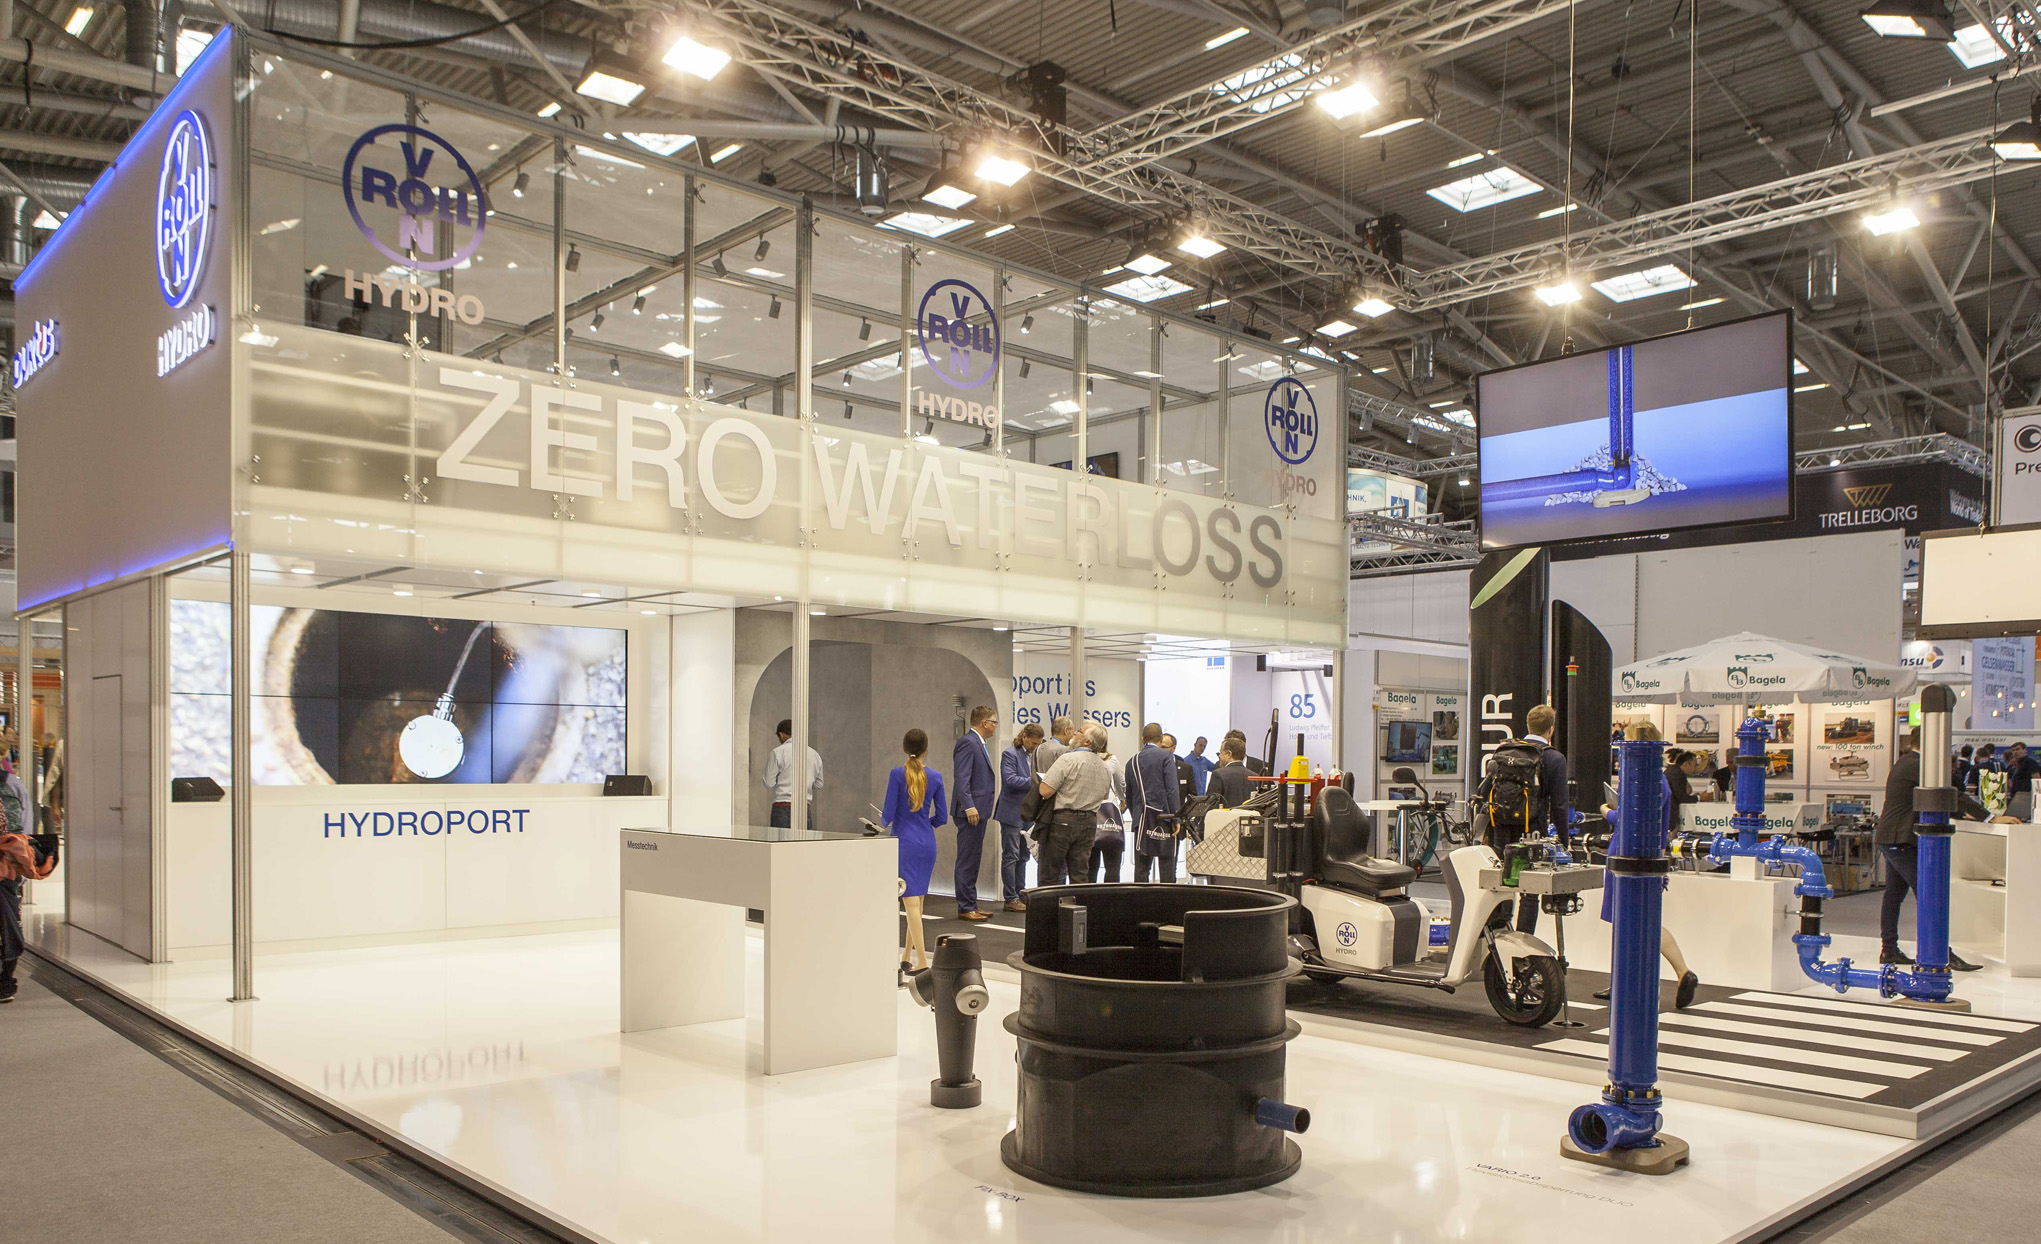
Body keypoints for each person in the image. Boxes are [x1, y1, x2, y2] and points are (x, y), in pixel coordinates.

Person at [1592, 721, 1702, 1009]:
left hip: (1626, 856)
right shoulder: (1660, 781)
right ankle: (1673, 973)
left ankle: (1633, 980)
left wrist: (1607, 811)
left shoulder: (1641, 780)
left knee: (1629, 921)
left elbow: (1626, 818)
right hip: (1650, 855)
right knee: (1642, 921)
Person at [1878, 727, 1995, 968]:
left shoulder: (1906, 762)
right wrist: (1989, 817)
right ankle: (1941, 953)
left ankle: (1889, 950)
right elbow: (1950, 795)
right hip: (1901, 839)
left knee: (1894, 895)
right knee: (1928, 894)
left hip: (1892, 836)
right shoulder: (1921, 765)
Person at [881, 729, 946, 973]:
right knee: (917, 901)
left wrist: (882, 821)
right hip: (927, 841)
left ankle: (923, 962)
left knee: (910, 903)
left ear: (904, 747)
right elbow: (941, 817)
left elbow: (888, 814)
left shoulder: (896, 774)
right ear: (926, 749)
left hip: (904, 842)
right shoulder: (936, 777)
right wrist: (925, 824)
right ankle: (906, 956)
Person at [1037, 724, 1114, 886]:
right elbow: (1104, 796)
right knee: (1080, 875)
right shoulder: (1105, 768)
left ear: (1087, 741)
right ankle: (1079, 903)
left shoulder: (1068, 760)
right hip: (1090, 823)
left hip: (1063, 820)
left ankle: (1048, 903)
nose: (1075, 733)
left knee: (1050, 873)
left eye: (1079, 731)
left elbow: (1045, 790)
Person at [950, 705, 1000, 921]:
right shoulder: (968, 743)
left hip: (979, 810)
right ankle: (965, 906)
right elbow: (961, 778)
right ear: (984, 723)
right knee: (967, 859)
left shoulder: (979, 743)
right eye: (994, 722)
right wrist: (969, 805)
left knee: (974, 858)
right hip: (970, 811)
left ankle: (971, 903)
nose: (996, 726)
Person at [1126, 723, 1184, 883]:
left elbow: (1129, 795)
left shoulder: (1132, 761)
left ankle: (1141, 899)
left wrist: (1136, 816)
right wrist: (1175, 818)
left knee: (1142, 869)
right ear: (1160, 739)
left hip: (1142, 819)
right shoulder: (1166, 756)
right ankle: (1166, 898)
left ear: (1142, 739)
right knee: (1167, 867)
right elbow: (1172, 789)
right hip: (1164, 818)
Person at [995, 724, 1043, 912]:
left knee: (1024, 855)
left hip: (1029, 812)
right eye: (1033, 743)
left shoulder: (1034, 755)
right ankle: (1010, 898)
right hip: (1011, 811)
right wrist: (1036, 782)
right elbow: (1010, 780)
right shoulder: (1010, 754)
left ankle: (1020, 893)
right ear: (1024, 737)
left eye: (1038, 744)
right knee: (1011, 855)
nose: (1035, 746)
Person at [761, 718, 823, 829]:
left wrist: (784, 782)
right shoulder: (814, 754)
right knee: (803, 840)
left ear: (781, 735)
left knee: (780, 840)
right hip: (804, 807)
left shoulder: (777, 752)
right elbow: (819, 784)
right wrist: (805, 784)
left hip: (782, 806)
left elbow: (769, 783)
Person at [1090, 745, 1126, 882]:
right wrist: (1122, 800)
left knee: (1090, 867)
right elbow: (1120, 783)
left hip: (1090, 812)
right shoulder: (1112, 759)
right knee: (1113, 866)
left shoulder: (1084, 759)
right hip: (1110, 812)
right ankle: (1111, 894)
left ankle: (1089, 895)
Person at [1209, 738, 1253, 808]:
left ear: (1229, 754)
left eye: (1221, 752)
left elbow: (1210, 805)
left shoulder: (1218, 775)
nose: (1219, 756)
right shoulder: (1254, 777)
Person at [2003, 741, 2039, 821]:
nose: (2015, 752)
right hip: (2017, 797)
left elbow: (2037, 779)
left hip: (2026, 797)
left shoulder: (2030, 762)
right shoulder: (2015, 765)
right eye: (2013, 750)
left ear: (2025, 750)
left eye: (2018, 749)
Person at [1160, 733, 1198, 808]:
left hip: (1178, 812)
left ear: (1173, 748)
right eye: (1159, 747)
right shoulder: (1153, 766)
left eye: (1163, 747)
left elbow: (1192, 797)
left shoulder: (1185, 769)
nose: (1160, 750)